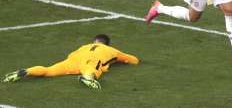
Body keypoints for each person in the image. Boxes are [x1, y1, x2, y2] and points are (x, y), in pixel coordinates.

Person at [2, 34, 139, 89]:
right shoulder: (112, 50)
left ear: (94, 41)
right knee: (91, 69)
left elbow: (71, 55)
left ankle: (26, 71)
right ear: (107, 44)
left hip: (73, 60)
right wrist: (123, 60)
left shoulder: (84, 46)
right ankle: (88, 78)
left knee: (48, 70)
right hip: (91, 61)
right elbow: (134, 60)